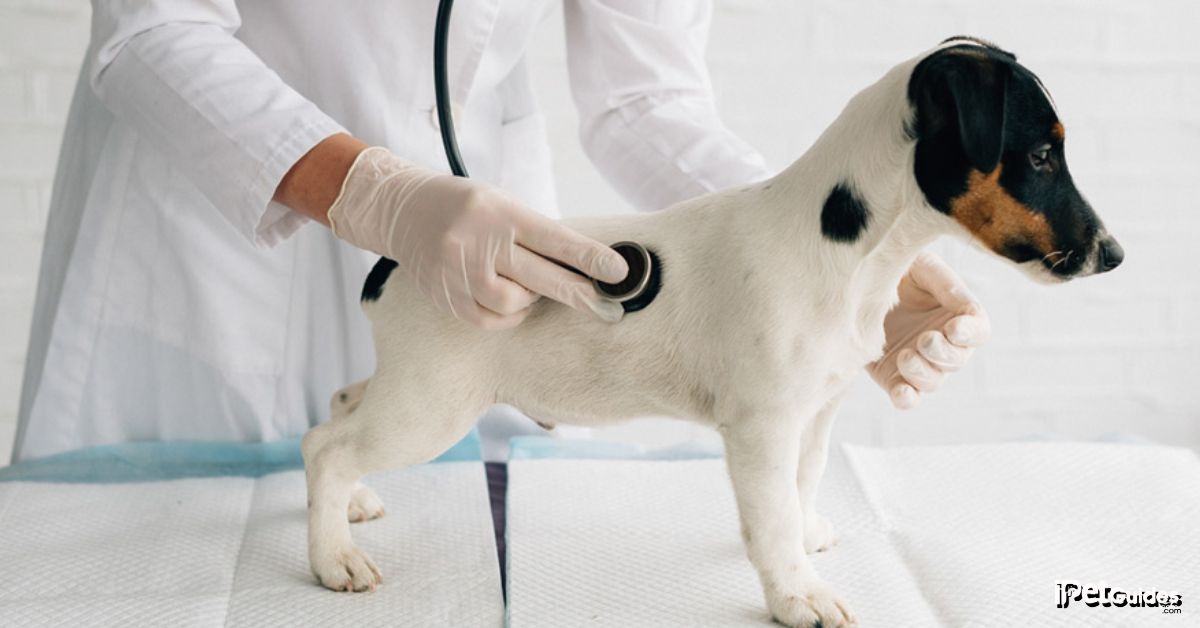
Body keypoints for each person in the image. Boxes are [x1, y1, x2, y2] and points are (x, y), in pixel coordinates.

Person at [12, 2, 988, 463]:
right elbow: (151, 31)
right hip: (212, 236)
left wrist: (822, 261)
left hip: (488, 262)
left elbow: (644, 97)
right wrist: (377, 196)